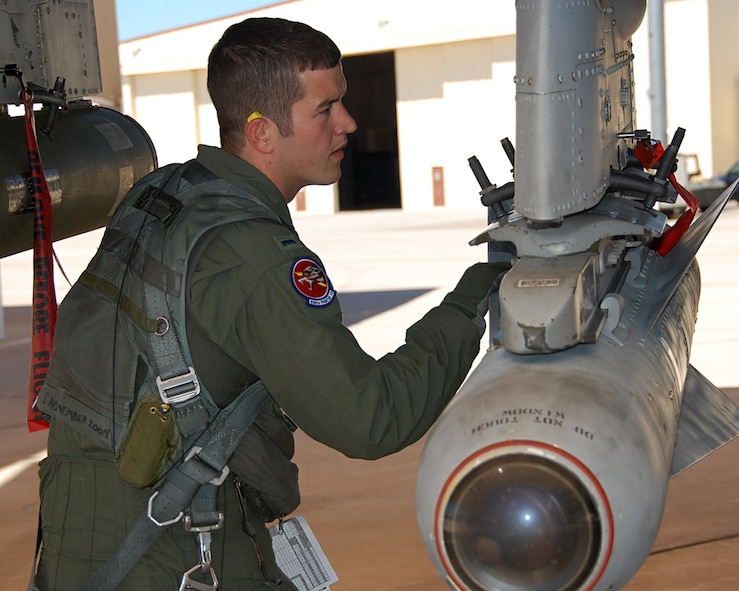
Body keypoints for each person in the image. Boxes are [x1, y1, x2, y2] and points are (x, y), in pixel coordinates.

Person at [32, 16, 509, 591]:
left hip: (82, 535)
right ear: (261, 133)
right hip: (170, 550)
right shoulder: (253, 255)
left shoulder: (163, 192)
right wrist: (473, 298)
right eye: (325, 109)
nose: (349, 124)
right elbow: (370, 418)